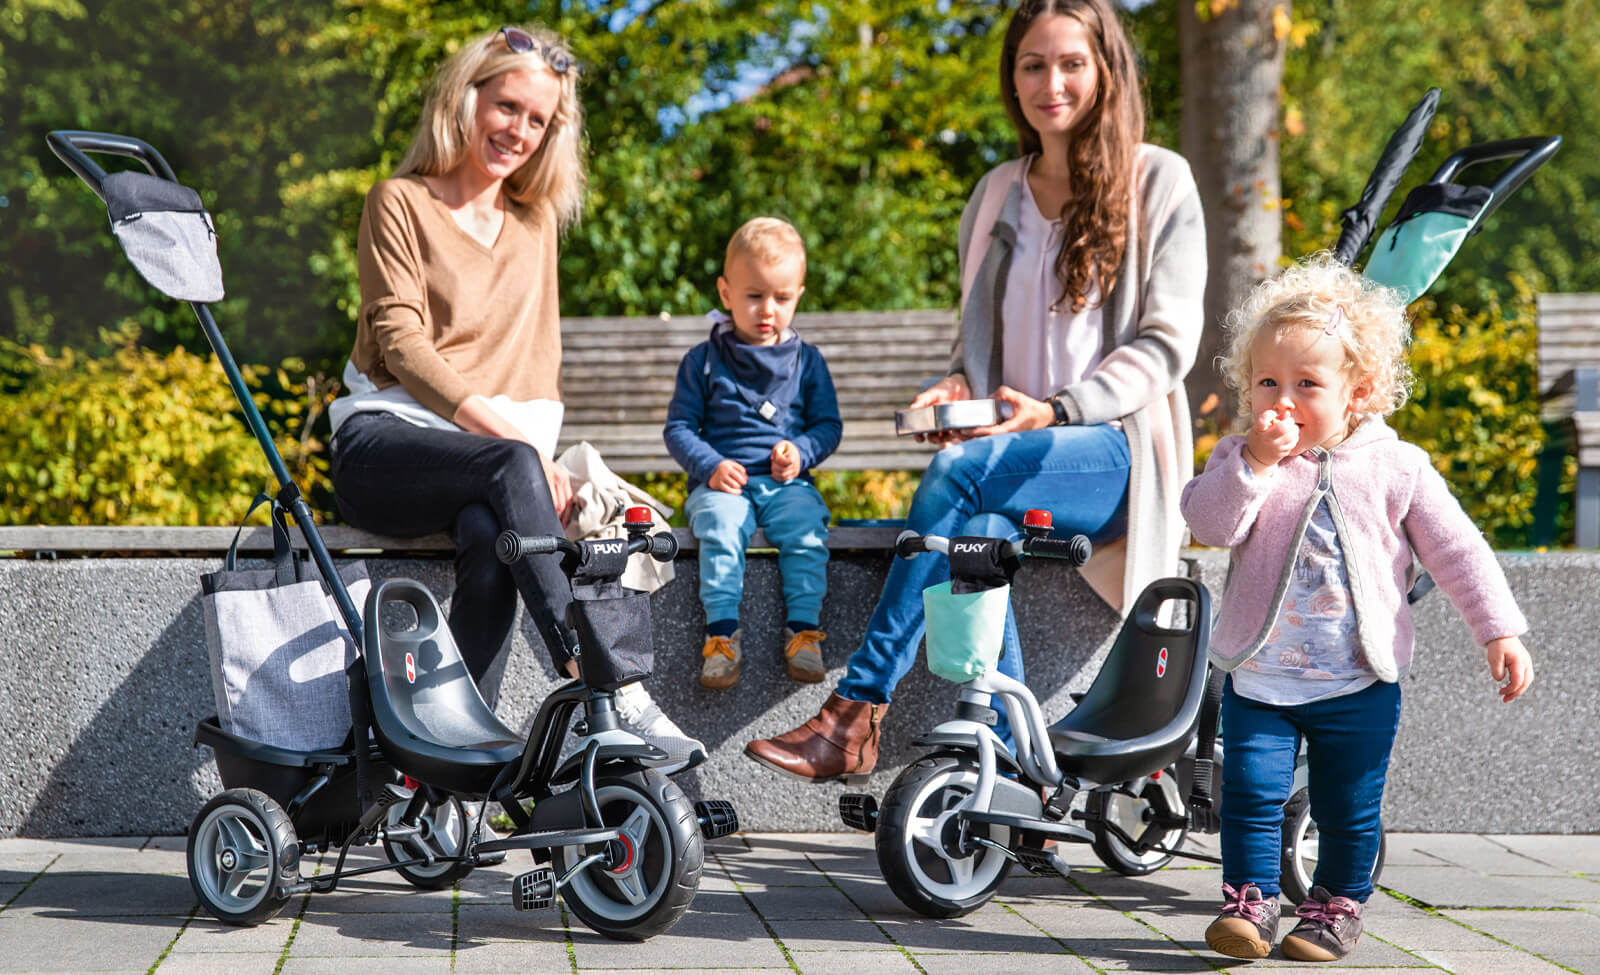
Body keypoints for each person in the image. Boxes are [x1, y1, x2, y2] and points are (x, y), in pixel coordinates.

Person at [744, 0, 1206, 780]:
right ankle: (1021, 767)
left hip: (1115, 452)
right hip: (1009, 453)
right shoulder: (997, 192)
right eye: (1032, 64)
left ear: (1106, 71)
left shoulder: (1159, 180)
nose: (1050, 82)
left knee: (959, 480)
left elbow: (1167, 346)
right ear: (1012, 79)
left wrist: (1056, 409)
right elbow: (977, 354)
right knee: (977, 529)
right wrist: (956, 391)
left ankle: (855, 709)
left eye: (1071, 63)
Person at [326, 24, 705, 772]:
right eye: (507, 107)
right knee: (504, 472)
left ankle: (439, 762)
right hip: (382, 446)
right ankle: (604, 679)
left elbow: (536, 365)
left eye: (540, 120)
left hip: (490, 463)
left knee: (490, 534)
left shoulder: (534, 228)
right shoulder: (397, 202)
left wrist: (531, 456)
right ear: (464, 100)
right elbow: (401, 343)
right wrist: (522, 450)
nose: (520, 132)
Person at [1180, 253, 1534, 962]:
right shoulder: (1242, 457)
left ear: (1360, 391)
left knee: (1350, 806)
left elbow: (1457, 549)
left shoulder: (1396, 466)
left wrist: (1499, 627)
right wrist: (1252, 463)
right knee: (1249, 794)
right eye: (1267, 383)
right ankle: (1249, 906)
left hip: (1359, 680)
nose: (1282, 400)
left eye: (1307, 384)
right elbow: (1208, 523)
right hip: (1262, 674)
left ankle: (1335, 906)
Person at [663, 218, 842, 690]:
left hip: (787, 485)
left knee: (806, 526)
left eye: (782, 298)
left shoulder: (807, 361)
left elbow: (828, 427)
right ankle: (721, 637)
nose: (768, 309)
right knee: (720, 528)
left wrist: (801, 452)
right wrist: (710, 465)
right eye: (753, 295)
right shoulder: (703, 361)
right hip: (724, 484)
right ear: (725, 293)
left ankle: (803, 631)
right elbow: (679, 428)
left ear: (799, 294)